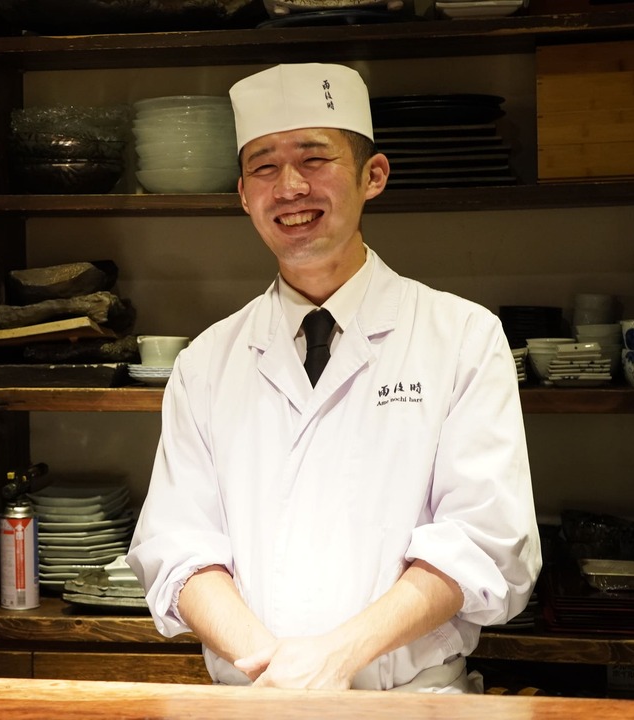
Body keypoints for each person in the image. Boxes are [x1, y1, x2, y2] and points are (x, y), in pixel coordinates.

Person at [125, 63, 542, 692]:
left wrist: (335, 656)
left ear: (373, 175)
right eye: (264, 167)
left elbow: (483, 540)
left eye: (314, 159)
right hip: (256, 697)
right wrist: (276, 667)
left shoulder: (463, 337)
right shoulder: (205, 362)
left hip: (408, 705)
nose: (289, 187)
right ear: (243, 195)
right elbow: (179, 546)